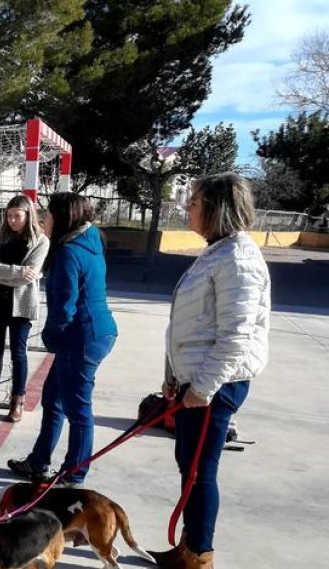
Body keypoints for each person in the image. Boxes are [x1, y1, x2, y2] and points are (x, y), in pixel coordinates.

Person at [149, 173, 270, 569]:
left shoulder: (238, 259)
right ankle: (190, 545)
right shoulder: (218, 252)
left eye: (194, 202)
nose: (188, 209)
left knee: (199, 472)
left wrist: (201, 388)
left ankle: (199, 556)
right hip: (195, 380)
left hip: (215, 385)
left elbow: (235, 335)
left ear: (217, 208)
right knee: (191, 469)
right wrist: (174, 378)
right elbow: (189, 325)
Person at [8, 193, 116, 486]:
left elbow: (65, 304)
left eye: (48, 214)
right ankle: (38, 461)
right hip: (88, 333)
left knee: (77, 407)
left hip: (83, 336)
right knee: (53, 397)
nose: (44, 220)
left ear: (62, 217)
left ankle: (74, 475)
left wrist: (52, 336)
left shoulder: (70, 252)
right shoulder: (88, 243)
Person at [0, 195, 49, 422]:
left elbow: (30, 277)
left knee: (18, 354)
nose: (12, 220)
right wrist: (17, 271)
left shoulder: (40, 241)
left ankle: (17, 402)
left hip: (21, 307)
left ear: (28, 215)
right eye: (9, 216)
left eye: (17, 216)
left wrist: (3, 274)